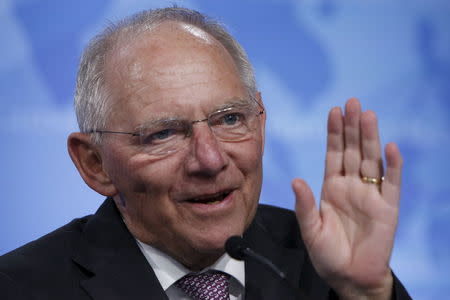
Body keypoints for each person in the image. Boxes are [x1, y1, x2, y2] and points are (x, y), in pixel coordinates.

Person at [0, 7, 411, 300]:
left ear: (261, 123)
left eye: (230, 119)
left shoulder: (325, 266)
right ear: (95, 164)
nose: (210, 160)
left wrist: (365, 295)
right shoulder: (20, 288)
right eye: (163, 133)